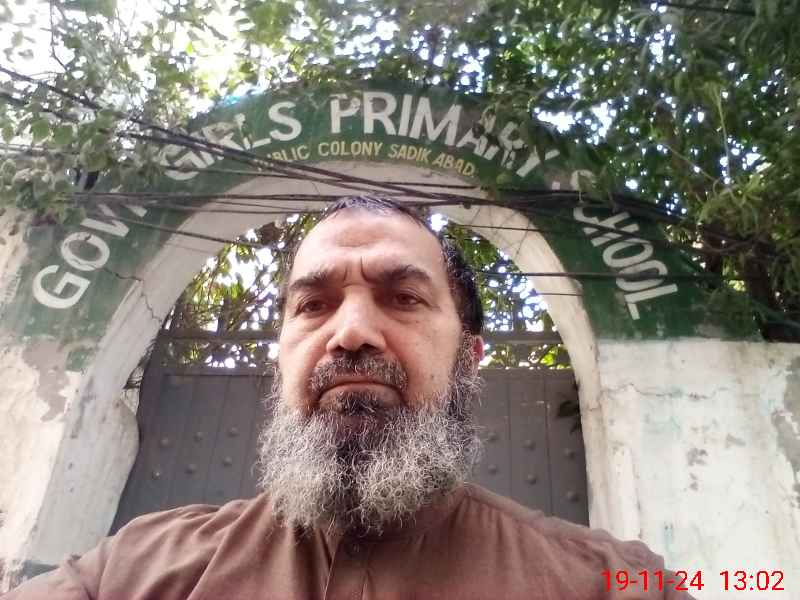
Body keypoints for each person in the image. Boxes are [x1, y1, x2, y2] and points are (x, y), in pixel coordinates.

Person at [4, 195, 694, 599]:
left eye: (404, 298)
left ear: (469, 357)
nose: (352, 332)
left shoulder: (611, 583)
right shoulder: (131, 572)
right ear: (281, 356)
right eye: (313, 305)